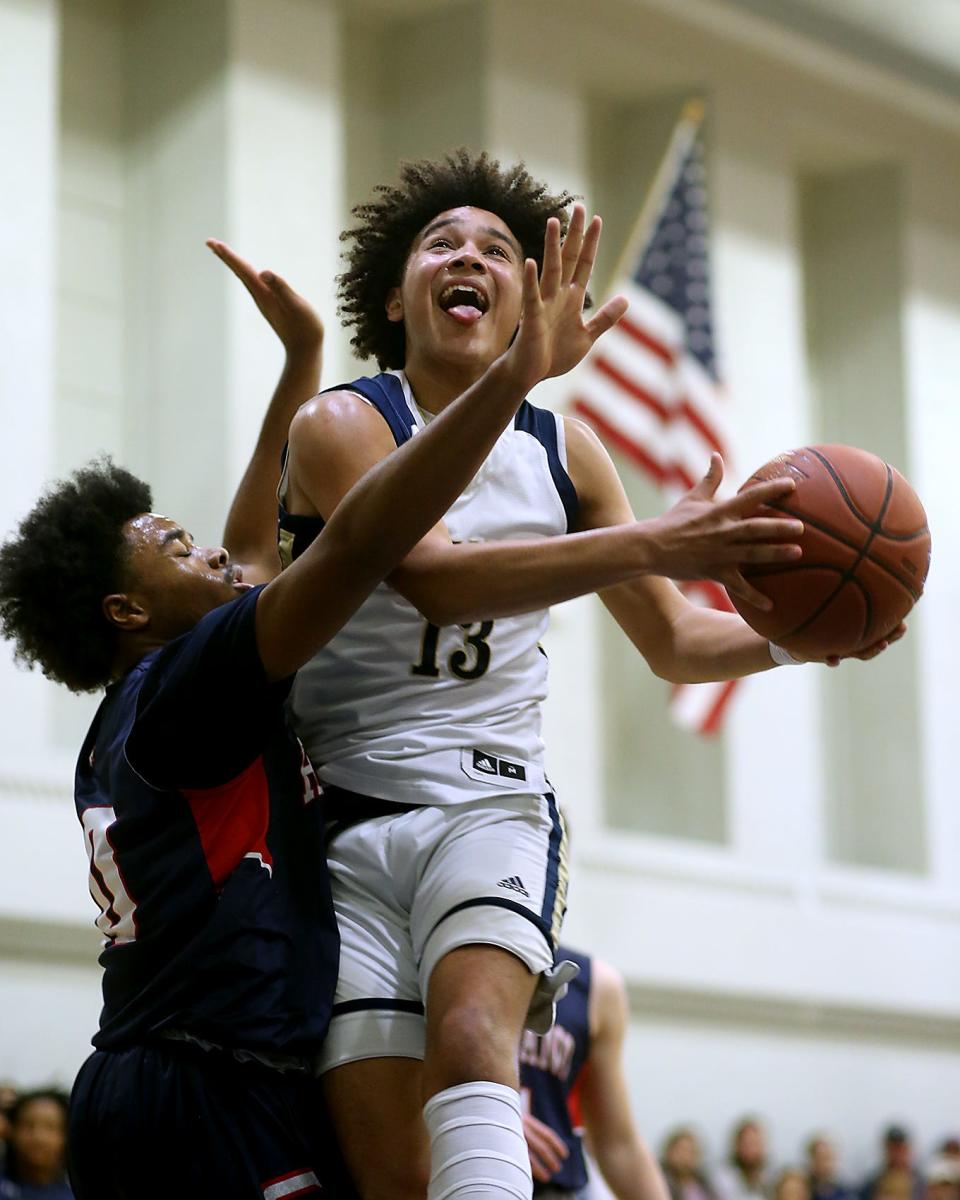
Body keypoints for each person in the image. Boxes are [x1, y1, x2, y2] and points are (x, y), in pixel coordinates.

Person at [280, 147, 845, 1200]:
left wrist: (804, 637)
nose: (471, 256)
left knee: (471, 1029)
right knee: (389, 1165)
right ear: (395, 300)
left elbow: (677, 641)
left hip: (489, 800)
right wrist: (652, 543)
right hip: (340, 815)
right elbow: (439, 581)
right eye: (441, 244)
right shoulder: (344, 425)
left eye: (498, 248)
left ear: (528, 295)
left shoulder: (569, 452)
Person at [0, 215, 595, 1197]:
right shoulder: (195, 685)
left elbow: (258, 555)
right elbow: (358, 546)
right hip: (213, 1079)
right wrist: (516, 378)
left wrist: (303, 359)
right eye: (179, 547)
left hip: (134, 1073)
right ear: (129, 609)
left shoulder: (124, 722)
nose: (212, 554)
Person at [518, 947, 669, 1200]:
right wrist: (489, 1113)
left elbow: (618, 1144)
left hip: (548, 1184)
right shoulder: (445, 944)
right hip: (458, 1170)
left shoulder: (595, 983)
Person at [0, 1090, 72, 1200]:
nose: (38, 1137)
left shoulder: (80, 1190)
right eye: (28, 1125)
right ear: (11, 1131)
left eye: (50, 1127)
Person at [711, 1117, 771, 1200]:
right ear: (737, 1146)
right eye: (747, 1144)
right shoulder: (723, 1179)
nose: (752, 1150)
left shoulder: (770, 1178)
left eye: (755, 1144)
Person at [859, 1127, 925, 1200]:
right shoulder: (872, 1184)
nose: (896, 1154)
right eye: (892, 1149)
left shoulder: (922, 1184)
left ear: (907, 1150)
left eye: (899, 1149)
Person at [662, 1128, 718, 1200]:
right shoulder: (661, 1183)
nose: (685, 1157)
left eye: (690, 1151)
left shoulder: (706, 1183)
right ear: (669, 1152)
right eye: (681, 1151)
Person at [806, 1134, 852, 1200]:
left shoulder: (844, 1193)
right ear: (811, 1160)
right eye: (820, 1158)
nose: (825, 1164)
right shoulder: (804, 1191)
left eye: (828, 1158)